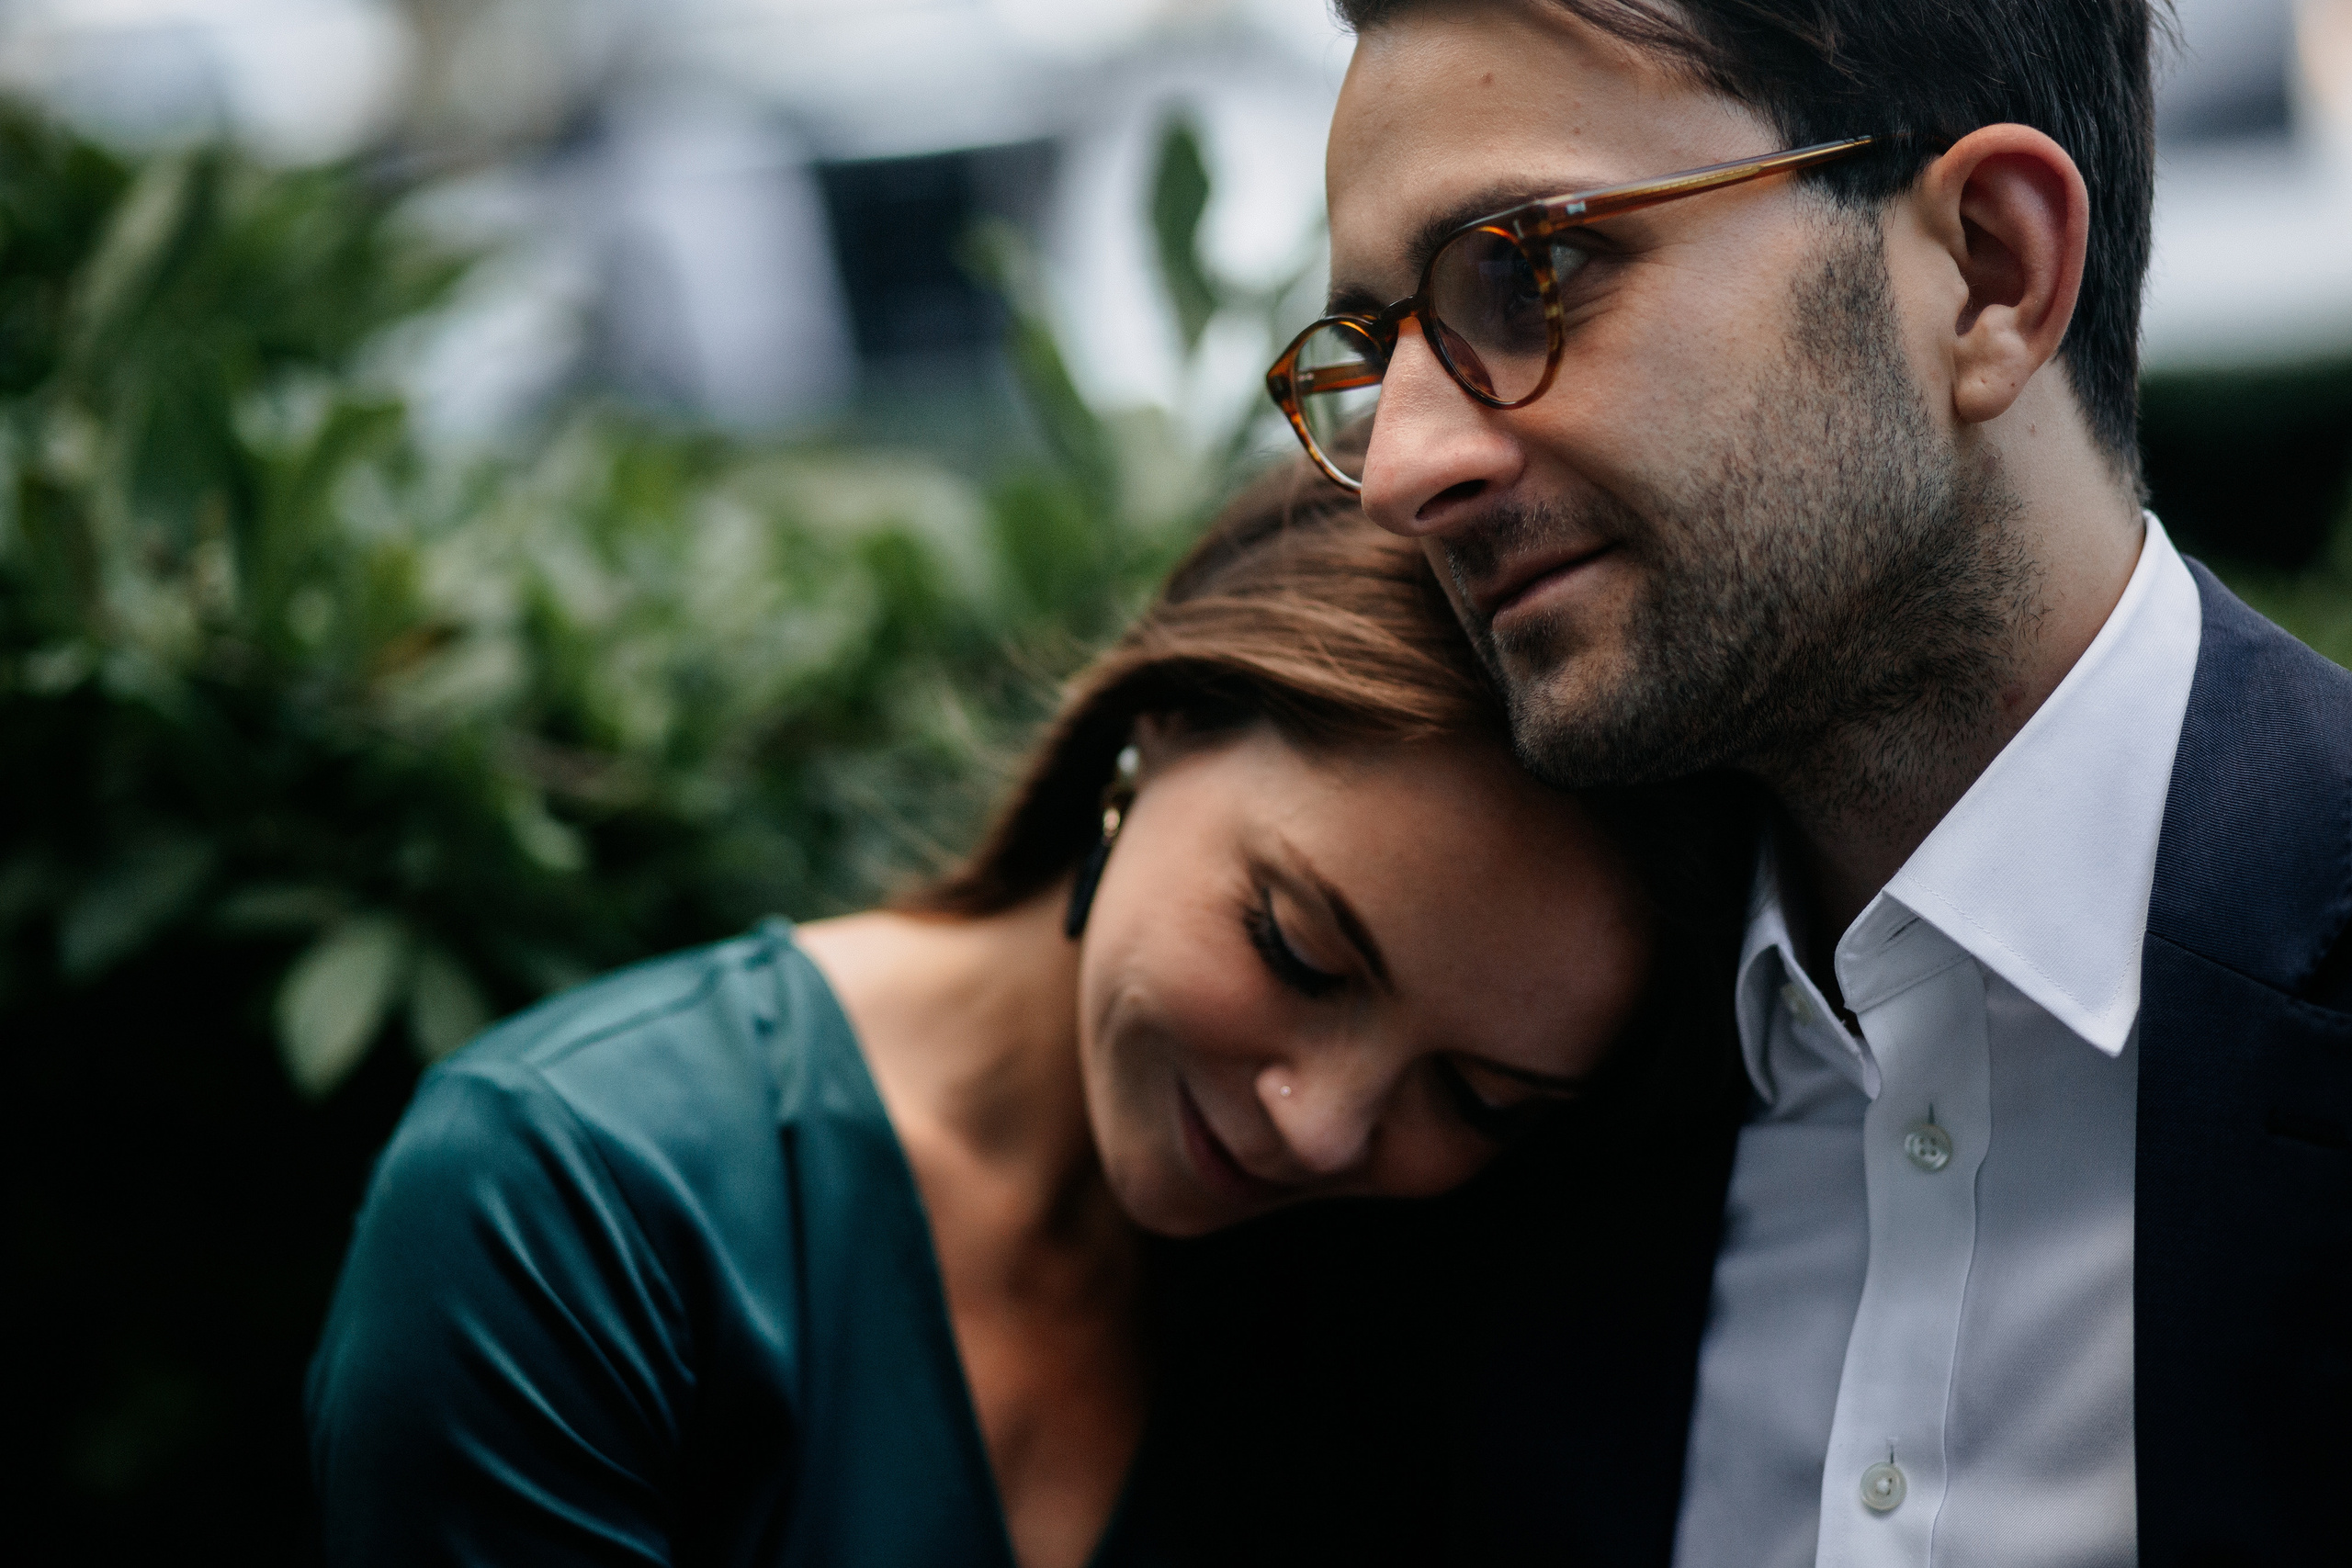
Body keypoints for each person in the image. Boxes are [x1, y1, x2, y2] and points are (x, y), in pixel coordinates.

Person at [1266, 1, 2352, 1563]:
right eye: (1376, 352)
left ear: (1988, 270)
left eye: (1526, 269)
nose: (1401, 473)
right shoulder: (1504, 1091)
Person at [304, 461, 1750, 1568]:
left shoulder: (1411, 1292)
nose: (1318, 1124)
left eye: (1481, 1096)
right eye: (1299, 952)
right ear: (1166, 722)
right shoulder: (571, 1198)